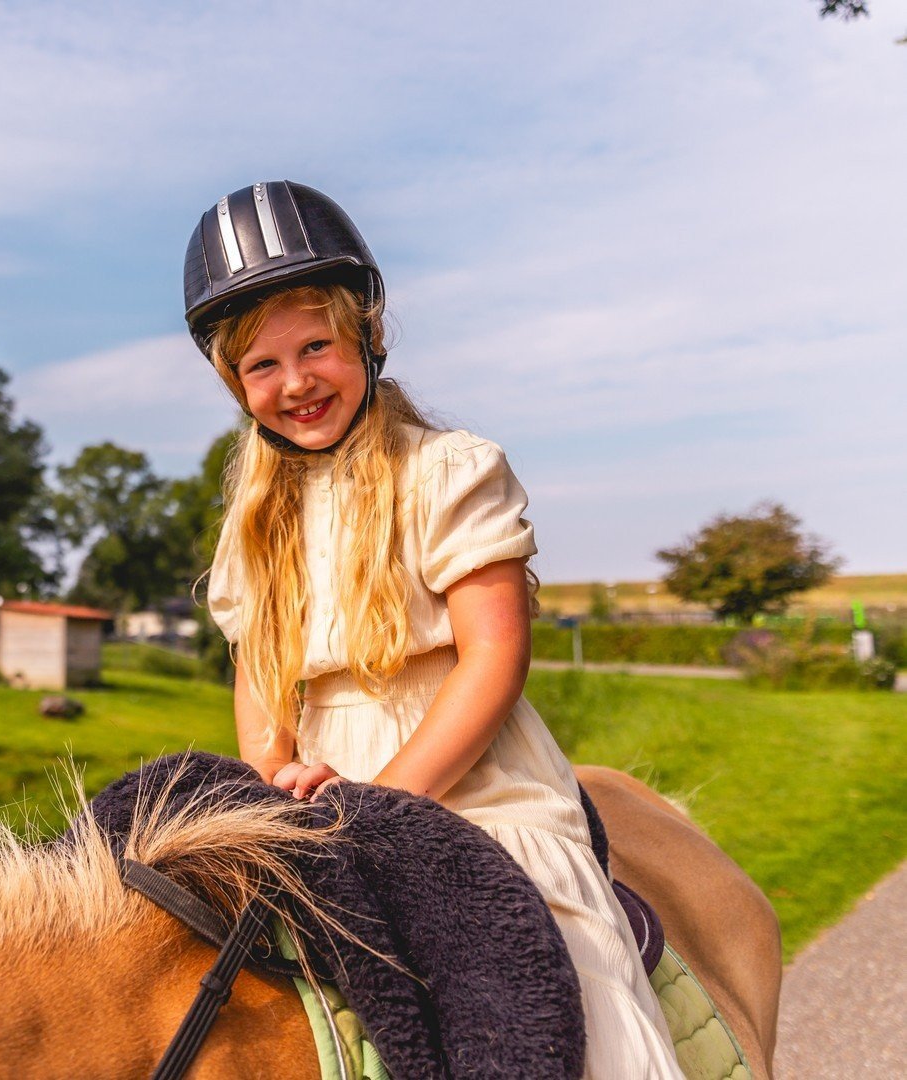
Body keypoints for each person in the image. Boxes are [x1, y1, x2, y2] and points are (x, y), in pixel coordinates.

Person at [188, 181, 684, 1079]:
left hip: (473, 787)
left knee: (552, 995)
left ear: (368, 339)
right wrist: (273, 774)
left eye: (316, 346)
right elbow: (261, 679)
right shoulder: (254, 520)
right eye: (263, 366)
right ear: (236, 384)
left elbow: (493, 656)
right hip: (325, 802)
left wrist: (385, 807)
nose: (295, 380)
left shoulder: (448, 471)